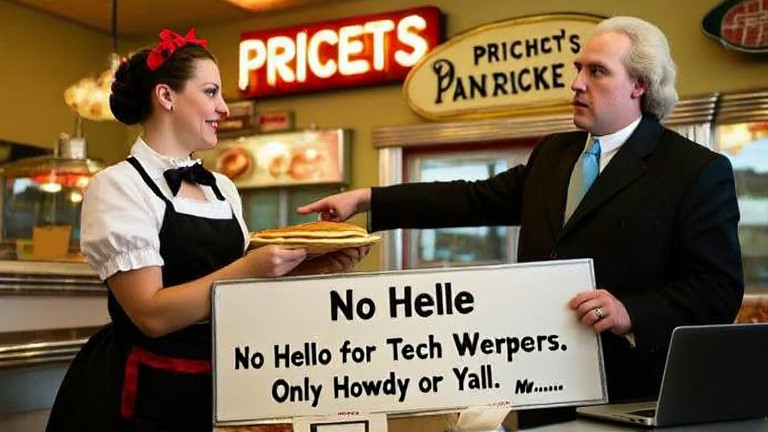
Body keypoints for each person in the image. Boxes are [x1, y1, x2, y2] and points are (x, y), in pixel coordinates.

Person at [298, 16, 744, 409]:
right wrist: (366, 199)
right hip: (540, 388)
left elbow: (718, 290)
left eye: (597, 71)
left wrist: (631, 311)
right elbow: (471, 198)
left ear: (639, 85)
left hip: (629, 394)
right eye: (578, 69)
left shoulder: (694, 170)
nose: (576, 83)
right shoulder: (553, 153)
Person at [46, 29, 367, 432]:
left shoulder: (223, 188)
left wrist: (312, 267)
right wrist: (251, 266)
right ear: (166, 96)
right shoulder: (118, 185)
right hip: (145, 390)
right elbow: (151, 315)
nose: (225, 109)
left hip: (223, 383)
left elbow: (236, 295)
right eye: (212, 92)